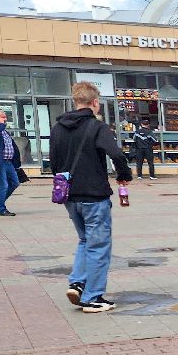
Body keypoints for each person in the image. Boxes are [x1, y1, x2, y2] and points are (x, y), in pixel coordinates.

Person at [49, 81, 133, 313]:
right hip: (93, 195)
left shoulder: (57, 128)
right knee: (98, 245)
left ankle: (77, 282)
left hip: (68, 195)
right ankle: (93, 297)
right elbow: (116, 153)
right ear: (95, 103)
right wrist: (123, 175)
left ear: (75, 101)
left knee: (85, 240)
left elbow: (54, 163)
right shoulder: (97, 127)